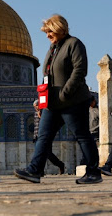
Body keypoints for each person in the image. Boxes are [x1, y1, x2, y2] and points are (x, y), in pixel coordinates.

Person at [14, 15, 102, 185]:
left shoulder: (74, 44)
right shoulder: (52, 49)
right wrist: (42, 100)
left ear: (60, 28)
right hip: (52, 104)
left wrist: (65, 93)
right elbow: (47, 75)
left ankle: (93, 172)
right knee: (43, 136)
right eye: (46, 32)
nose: (47, 35)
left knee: (82, 135)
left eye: (50, 31)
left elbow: (79, 70)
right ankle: (35, 170)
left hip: (72, 101)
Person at [30, 98, 66, 174]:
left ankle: (60, 164)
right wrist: (34, 136)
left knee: (48, 154)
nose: (36, 107)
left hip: (45, 136)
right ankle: (40, 170)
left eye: (36, 105)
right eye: (34, 106)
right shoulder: (36, 113)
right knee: (41, 153)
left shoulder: (45, 112)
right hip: (37, 136)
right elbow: (36, 126)